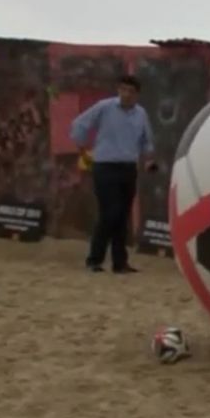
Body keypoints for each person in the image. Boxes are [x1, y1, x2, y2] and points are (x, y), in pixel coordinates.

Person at [70, 75, 157, 273]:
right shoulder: (104, 107)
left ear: (137, 95)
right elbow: (79, 125)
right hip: (105, 166)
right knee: (110, 213)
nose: (126, 95)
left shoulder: (141, 114)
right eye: (123, 90)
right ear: (118, 90)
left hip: (128, 167)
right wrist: (83, 147)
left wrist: (149, 158)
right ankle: (94, 259)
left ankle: (120, 262)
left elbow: (146, 139)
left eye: (131, 91)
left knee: (122, 215)